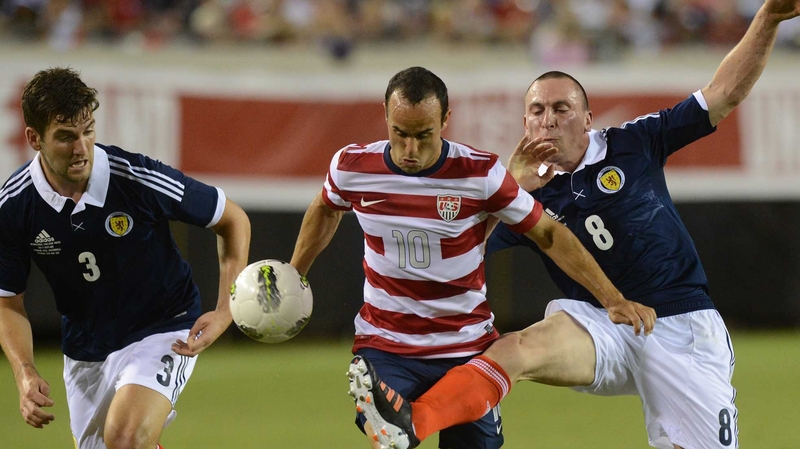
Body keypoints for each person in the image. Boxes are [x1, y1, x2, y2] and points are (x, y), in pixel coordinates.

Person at [353, 1, 800, 448]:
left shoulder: (633, 143)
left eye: (561, 108)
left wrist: (768, 19)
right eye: (536, 110)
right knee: (514, 350)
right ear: (525, 123)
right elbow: (461, 254)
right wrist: (511, 186)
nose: (548, 119)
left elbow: (725, 93)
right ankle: (411, 423)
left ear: (588, 119)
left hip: (681, 326)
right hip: (602, 325)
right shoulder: (519, 196)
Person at [289, 66, 654, 449]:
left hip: (465, 349)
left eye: (423, 135)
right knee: (383, 427)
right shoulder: (352, 166)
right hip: (387, 343)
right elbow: (326, 207)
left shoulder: (480, 174)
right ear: (385, 115)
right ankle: (392, 423)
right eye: (400, 134)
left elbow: (549, 233)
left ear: (446, 119)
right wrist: (295, 274)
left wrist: (612, 299)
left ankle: (404, 423)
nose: (410, 149)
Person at [0, 67, 251, 449]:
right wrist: (24, 372)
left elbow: (232, 219)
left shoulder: (134, 177)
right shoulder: (14, 205)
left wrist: (227, 309)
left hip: (163, 325)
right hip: (87, 349)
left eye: (88, 131)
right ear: (34, 138)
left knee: (126, 438)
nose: (81, 148)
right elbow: (7, 301)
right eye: (66, 137)